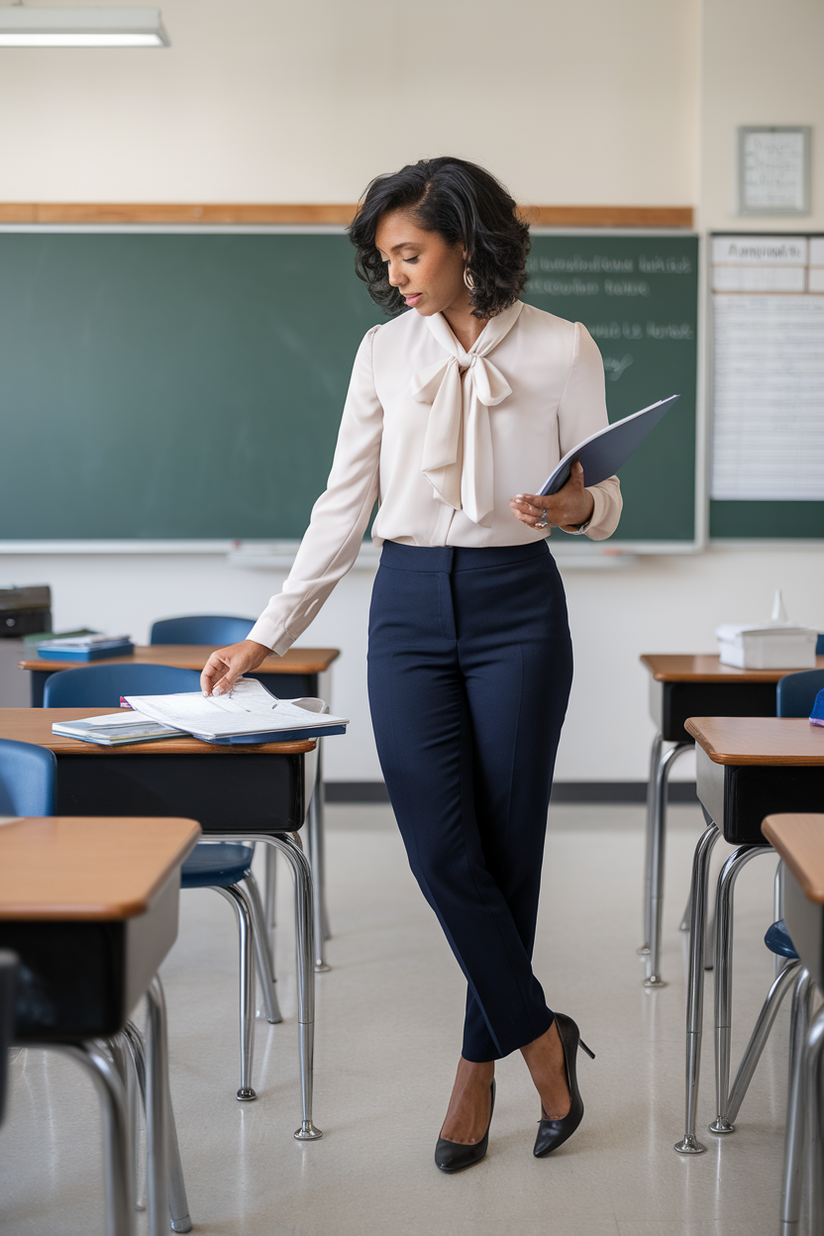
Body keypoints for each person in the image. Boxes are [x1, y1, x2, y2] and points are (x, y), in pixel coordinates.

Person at [201, 157, 622, 1171]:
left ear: (463, 243)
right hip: (404, 611)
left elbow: (602, 503)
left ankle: (472, 1070)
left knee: (507, 853)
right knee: (441, 851)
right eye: (385, 256)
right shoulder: (382, 353)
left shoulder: (563, 348)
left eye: (408, 253)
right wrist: (270, 631)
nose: (394, 274)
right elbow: (341, 507)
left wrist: (575, 508)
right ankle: (541, 1043)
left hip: (518, 606)